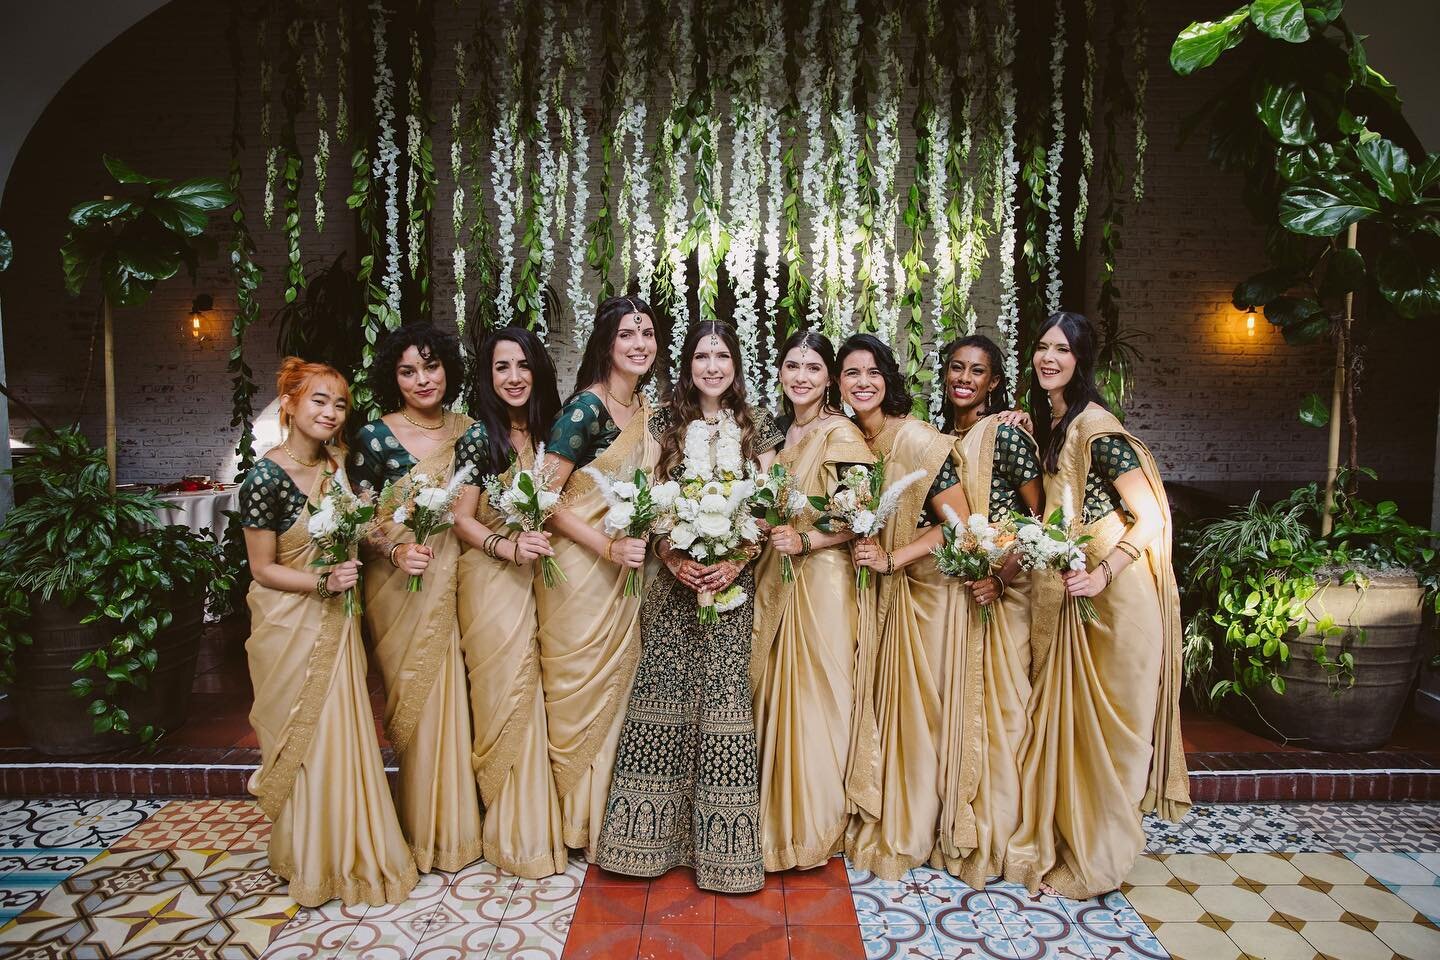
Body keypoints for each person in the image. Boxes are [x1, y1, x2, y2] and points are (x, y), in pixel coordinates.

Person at [1004, 311, 1189, 899]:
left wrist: (1105, 572)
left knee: (1109, 737)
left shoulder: (1099, 430)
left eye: (1062, 349)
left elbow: (1153, 515)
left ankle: (1097, 862)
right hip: (1074, 595)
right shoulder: (1055, 422)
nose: (1048, 358)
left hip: (1114, 601)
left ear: (1082, 360)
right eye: (1041, 347)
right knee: (1073, 731)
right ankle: (1071, 842)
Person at [595, 320, 782, 894]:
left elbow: (771, 506)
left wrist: (738, 560)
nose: (712, 366)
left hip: (733, 586)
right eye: (702, 356)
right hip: (674, 587)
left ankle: (725, 856)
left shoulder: (760, 427)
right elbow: (646, 503)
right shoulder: (664, 423)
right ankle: (644, 848)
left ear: (735, 365)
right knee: (664, 700)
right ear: (688, 365)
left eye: (722, 356)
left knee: (725, 708)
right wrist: (672, 556)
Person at [240, 358, 417, 906]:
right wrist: (320, 582)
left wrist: (395, 547)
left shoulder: (339, 465)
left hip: (338, 621)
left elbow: (363, 529)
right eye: (319, 400)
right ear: (289, 403)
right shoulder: (264, 477)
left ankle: (352, 848)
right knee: (306, 736)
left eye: (339, 404)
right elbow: (262, 568)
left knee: (343, 731)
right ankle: (310, 857)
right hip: (289, 622)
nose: (331, 413)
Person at [840, 334, 976, 881]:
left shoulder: (919, 441)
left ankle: (914, 824)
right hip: (872, 596)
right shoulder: (849, 440)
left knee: (917, 714)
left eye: (872, 371)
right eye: (851, 373)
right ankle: (874, 805)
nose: (863, 382)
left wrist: (895, 558)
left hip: (925, 597)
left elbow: (960, 526)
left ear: (888, 377)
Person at [352, 325, 484, 874]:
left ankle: (457, 831)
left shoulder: (472, 432)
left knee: (459, 696)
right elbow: (360, 518)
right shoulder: (374, 438)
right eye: (408, 371)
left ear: (448, 369)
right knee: (415, 702)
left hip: (457, 579)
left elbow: (476, 513)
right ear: (393, 377)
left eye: (430, 367)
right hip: (398, 589)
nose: (422, 380)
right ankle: (417, 827)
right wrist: (392, 550)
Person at [536, 296, 661, 856]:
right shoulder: (583, 410)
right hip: (581, 573)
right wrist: (606, 545)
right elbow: (541, 496)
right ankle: (570, 820)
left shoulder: (647, 411)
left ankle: (607, 818)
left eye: (648, 333)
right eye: (628, 334)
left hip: (628, 570)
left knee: (622, 690)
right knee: (579, 692)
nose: (640, 343)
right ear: (607, 344)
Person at [751, 329, 876, 871]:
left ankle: (816, 825)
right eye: (792, 365)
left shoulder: (841, 433)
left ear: (830, 379)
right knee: (780, 694)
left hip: (823, 581)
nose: (801, 376)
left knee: (819, 697)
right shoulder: (782, 441)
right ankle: (778, 819)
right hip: (778, 574)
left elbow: (862, 517)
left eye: (813, 368)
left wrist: (809, 540)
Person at [451, 325, 568, 878]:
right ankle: (511, 832)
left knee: (537, 693)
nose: (514, 377)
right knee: (505, 695)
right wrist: (508, 545)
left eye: (523, 365)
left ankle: (543, 822)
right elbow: (461, 520)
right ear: (487, 376)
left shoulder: (550, 432)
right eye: (501, 367)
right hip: (491, 577)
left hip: (541, 575)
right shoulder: (481, 438)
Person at [933, 334, 1042, 886]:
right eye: (956, 368)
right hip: (958, 593)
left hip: (1008, 589)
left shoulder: (1006, 436)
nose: (965, 378)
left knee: (1004, 712)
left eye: (978, 371)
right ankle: (959, 827)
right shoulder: (938, 440)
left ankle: (1000, 837)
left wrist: (1001, 575)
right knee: (958, 707)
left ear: (995, 382)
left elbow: (1041, 518)